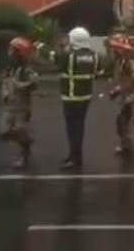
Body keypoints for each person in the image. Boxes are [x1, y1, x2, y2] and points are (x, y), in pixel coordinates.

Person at [54, 27, 101, 171]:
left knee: (73, 128)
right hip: (85, 96)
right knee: (80, 126)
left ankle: (74, 158)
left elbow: (58, 64)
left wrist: (61, 48)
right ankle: (75, 156)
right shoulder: (94, 55)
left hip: (70, 96)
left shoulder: (69, 56)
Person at [0, 37, 37, 170]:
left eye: (12, 50)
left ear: (19, 52)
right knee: (4, 132)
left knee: (20, 130)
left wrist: (21, 85)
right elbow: (4, 81)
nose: (9, 52)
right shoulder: (9, 68)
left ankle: (24, 156)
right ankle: (27, 142)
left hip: (22, 106)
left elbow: (34, 84)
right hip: (9, 105)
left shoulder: (26, 69)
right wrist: (4, 91)